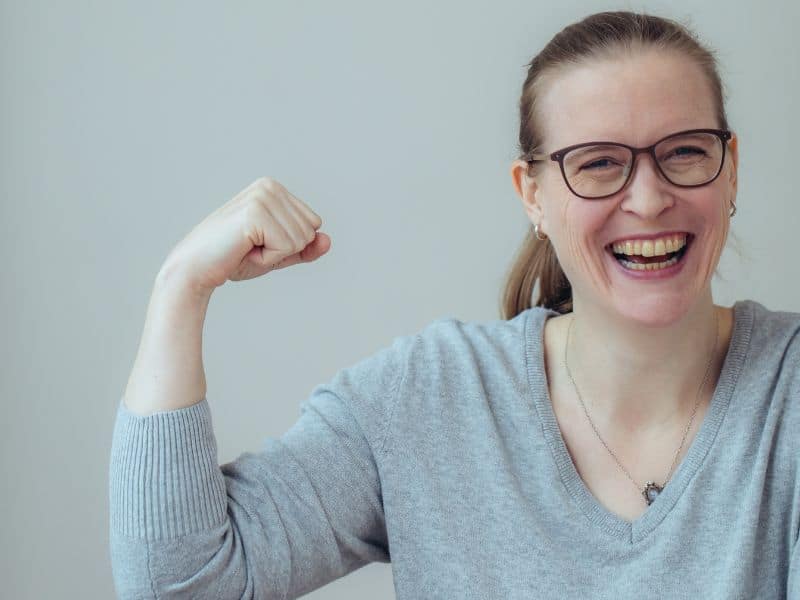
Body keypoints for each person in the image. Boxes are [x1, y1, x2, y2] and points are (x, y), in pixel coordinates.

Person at [109, 10, 800, 599]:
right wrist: (181, 287)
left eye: (684, 152)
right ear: (531, 195)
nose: (648, 200)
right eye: (597, 163)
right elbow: (184, 580)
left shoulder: (788, 392)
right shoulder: (428, 400)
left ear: (730, 167)